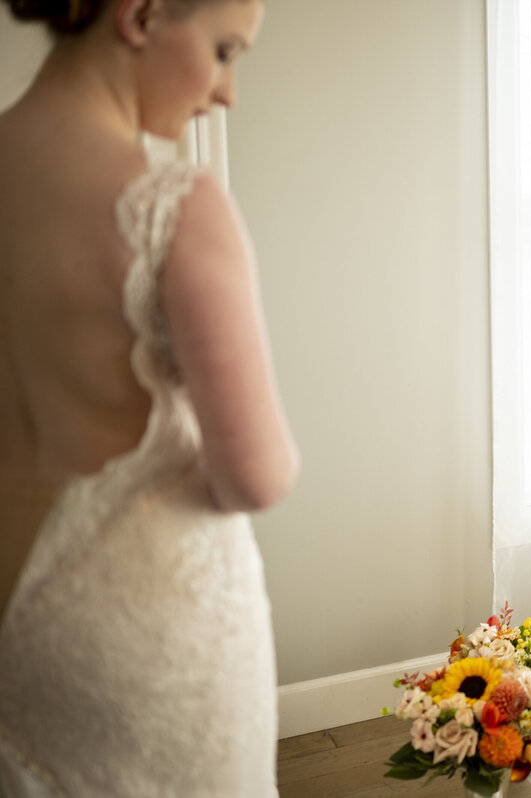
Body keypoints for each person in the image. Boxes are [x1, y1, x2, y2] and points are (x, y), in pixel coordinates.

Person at [0, 0, 298, 794]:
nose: (229, 90)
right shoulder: (177, 208)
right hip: (140, 638)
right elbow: (255, 477)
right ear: (140, 15)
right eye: (225, 49)